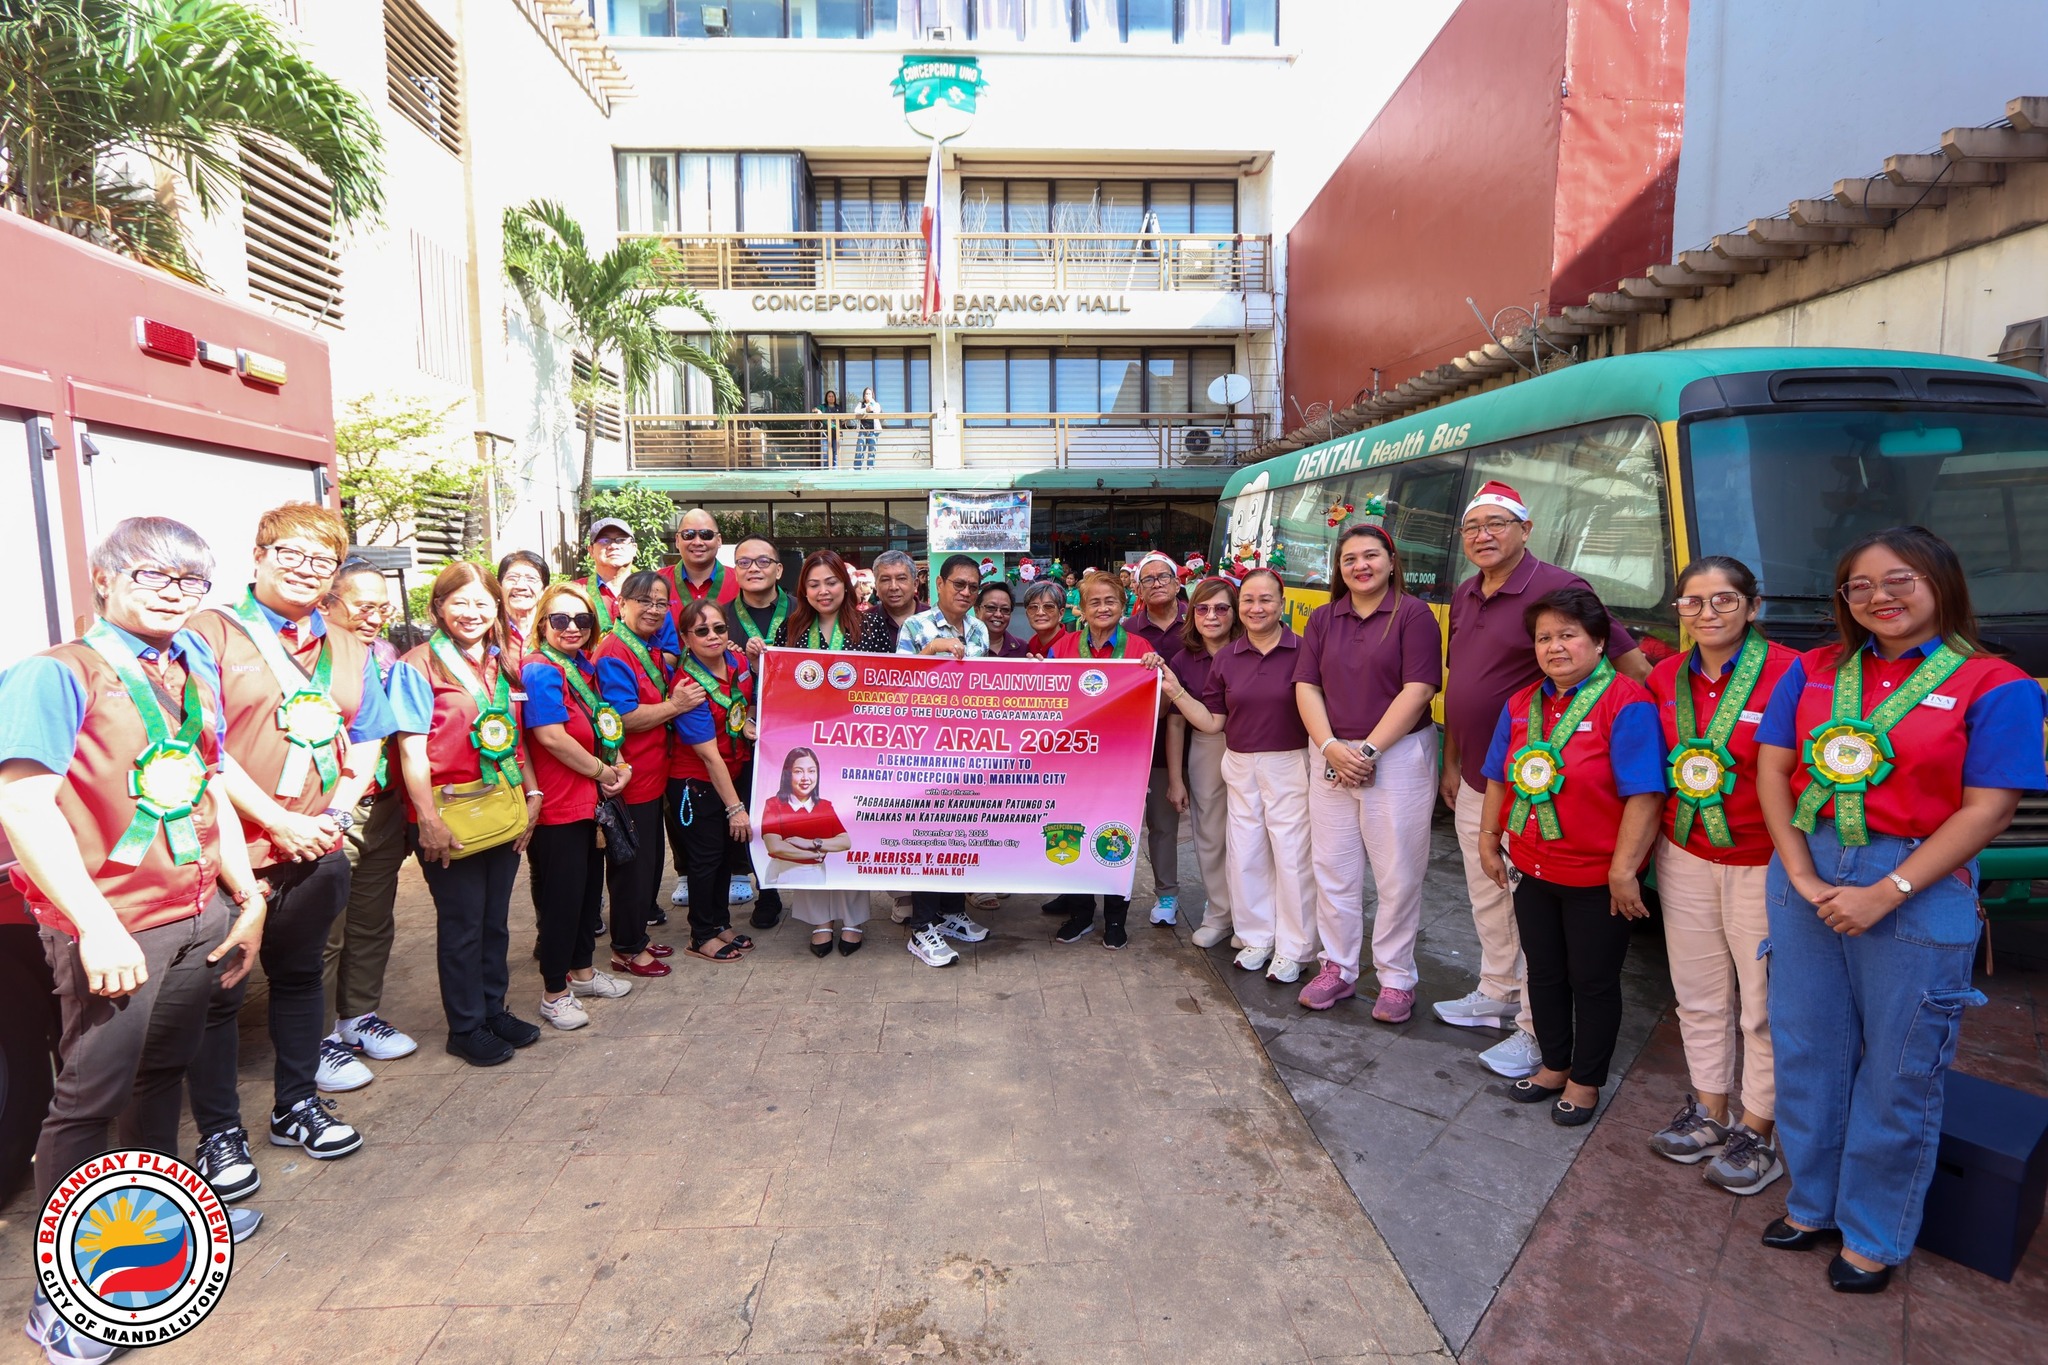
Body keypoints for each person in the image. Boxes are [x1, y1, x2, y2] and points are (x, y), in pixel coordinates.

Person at [3, 519, 269, 1364]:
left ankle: (151, 1239)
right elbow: (23, 806)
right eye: (153, 573)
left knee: (159, 1077)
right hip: (114, 926)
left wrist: (246, 891)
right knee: (86, 1099)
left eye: (192, 579)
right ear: (105, 579)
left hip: (196, 915)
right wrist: (96, 922)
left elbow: (209, 781)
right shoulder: (55, 673)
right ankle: (68, 1296)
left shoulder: (189, 664)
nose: (173, 590)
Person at [1755, 525, 2046, 1293]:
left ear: (1941, 583)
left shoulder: (1997, 684)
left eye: (1900, 580)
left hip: (1914, 878)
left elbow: (1987, 809)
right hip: (1805, 868)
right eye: (1860, 585)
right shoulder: (1814, 670)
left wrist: (1888, 890)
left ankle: (1874, 1233)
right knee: (1807, 1049)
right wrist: (1796, 866)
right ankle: (1813, 1201)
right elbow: (1773, 767)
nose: (1879, 597)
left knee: (1899, 1067)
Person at [185, 504, 397, 1186]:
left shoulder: (346, 643)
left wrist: (333, 813)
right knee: (219, 995)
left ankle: (296, 1102)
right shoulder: (209, 634)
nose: (306, 571)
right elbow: (199, 748)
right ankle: (219, 1134)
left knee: (302, 976)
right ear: (258, 556)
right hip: (227, 852)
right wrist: (275, 820)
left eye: (321, 561)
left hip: (317, 844)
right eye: (291, 555)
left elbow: (367, 735)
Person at [1437, 479, 1651, 1081]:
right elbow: (1463, 687)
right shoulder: (1466, 591)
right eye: (1473, 526)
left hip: (1545, 789)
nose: (1483, 535)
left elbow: (1629, 663)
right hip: (1485, 774)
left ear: (1525, 530)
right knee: (1489, 893)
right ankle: (1497, 990)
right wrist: (1452, 762)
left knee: (1537, 913)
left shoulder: (1561, 588)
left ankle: (1536, 1030)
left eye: (1497, 523)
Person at [1476, 587, 1664, 1127]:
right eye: (1544, 638)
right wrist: (1490, 839)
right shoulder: (1522, 703)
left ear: (1599, 642)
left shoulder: (1626, 702)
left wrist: (1624, 871)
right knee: (1545, 972)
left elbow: (1645, 794)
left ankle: (1586, 1079)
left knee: (1594, 980)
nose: (1555, 647)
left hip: (1595, 877)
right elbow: (1497, 776)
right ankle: (1554, 1064)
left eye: (1567, 635)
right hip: (1532, 866)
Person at [1644, 556, 1799, 1194]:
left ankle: (1758, 1129)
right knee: (1698, 993)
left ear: (1752, 607)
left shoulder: (1795, 672)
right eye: (1693, 602)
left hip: (1764, 862)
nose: (1707, 613)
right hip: (1684, 855)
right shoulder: (1663, 677)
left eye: (1723, 601)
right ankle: (1709, 1109)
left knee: (1763, 1005)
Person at [388, 563, 544, 1067]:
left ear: (496, 608)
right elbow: (410, 748)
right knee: (462, 923)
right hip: (449, 813)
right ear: (437, 608)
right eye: (460, 603)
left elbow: (514, 739)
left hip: (500, 807)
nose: (472, 613)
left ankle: (493, 1008)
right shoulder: (417, 666)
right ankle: (465, 1025)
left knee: (495, 919)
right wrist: (426, 818)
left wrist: (531, 795)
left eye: (482, 603)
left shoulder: (502, 663)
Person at [1295, 523, 1443, 1019]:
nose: (1360, 566)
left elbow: (1419, 689)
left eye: (1371, 556)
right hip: (1333, 752)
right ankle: (1337, 966)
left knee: (1398, 871)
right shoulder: (1322, 619)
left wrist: (1369, 752)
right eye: (1349, 559)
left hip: (1397, 756)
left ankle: (1396, 976)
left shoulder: (1413, 615)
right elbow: (1306, 687)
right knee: (1333, 868)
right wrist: (1333, 747)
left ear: (1392, 560)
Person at [1158, 569, 1318, 980]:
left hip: (1288, 760)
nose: (1256, 608)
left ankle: (1295, 946)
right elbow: (1212, 722)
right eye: (1249, 600)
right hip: (1240, 762)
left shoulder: (1304, 649)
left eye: (1265, 600)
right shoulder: (1228, 658)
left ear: (1282, 602)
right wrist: (1175, 690)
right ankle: (1256, 936)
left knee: (1291, 854)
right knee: (1246, 852)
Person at [319, 560, 420, 1090]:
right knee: (325, 932)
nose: (375, 617)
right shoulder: (311, 657)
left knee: (371, 919)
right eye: (363, 606)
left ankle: (356, 1018)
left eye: (383, 607)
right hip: (330, 806)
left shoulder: (383, 655)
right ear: (327, 602)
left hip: (380, 802)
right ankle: (317, 1041)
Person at [520, 581, 633, 1030]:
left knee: (588, 897)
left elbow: (601, 726)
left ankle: (583, 973)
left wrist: (618, 763)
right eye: (561, 619)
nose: (572, 628)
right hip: (560, 805)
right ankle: (554, 991)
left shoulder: (581, 667)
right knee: (562, 900)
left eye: (582, 620)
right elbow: (550, 737)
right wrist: (605, 773)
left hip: (588, 804)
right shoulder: (541, 670)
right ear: (542, 622)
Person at [594, 570, 706, 978]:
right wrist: (676, 706)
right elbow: (623, 718)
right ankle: (625, 947)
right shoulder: (613, 652)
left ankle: (636, 934)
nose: (653, 609)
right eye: (644, 600)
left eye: (661, 602)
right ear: (620, 604)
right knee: (633, 868)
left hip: (654, 773)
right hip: (631, 778)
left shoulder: (647, 645)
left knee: (651, 862)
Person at [1049, 572, 1170, 950]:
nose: (1103, 608)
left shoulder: (1140, 648)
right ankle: (1081, 915)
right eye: (1094, 603)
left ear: (1123, 605)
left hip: (1121, 765)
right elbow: (1045, 698)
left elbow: (1162, 709)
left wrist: (1158, 674)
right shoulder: (1064, 647)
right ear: (1081, 609)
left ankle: (1116, 919)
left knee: (1117, 838)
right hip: (1072, 766)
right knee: (1072, 834)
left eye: (1110, 601)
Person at [896, 555, 994, 962]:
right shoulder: (915, 627)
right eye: (959, 584)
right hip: (924, 750)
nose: (966, 593)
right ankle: (921, 928)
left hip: (968, 748)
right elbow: (896, 687)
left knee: (960, 830)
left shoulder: (979, 628)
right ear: (938, 584)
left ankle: (952, 911)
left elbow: (986, 687)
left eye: (973, 587)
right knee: (928, 835)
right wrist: (930, 651)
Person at [670, 599, 758, 962]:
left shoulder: (736, 662)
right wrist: (735, 808)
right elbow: (708, 754)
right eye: (701, 630)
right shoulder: (688, 686)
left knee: (723, 857)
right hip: (697, 783)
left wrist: (749, 724)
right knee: (705, 860)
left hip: (731, 772)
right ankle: (700, 934)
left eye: (719, 629)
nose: (712, 636)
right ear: (685, 638)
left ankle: (720, 923)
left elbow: (744, 707)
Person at [1163, 576, 1241, 949]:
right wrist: (1176, 780)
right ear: (1192, 614)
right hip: (1207, 745)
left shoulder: (1249, 646)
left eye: (1221, 608)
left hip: (1252, 743)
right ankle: (1219, 915)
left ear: (1235, 612)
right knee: (1210, 835)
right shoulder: (1183, 659)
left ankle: (1252, 916)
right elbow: (1176, 721)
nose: (1212, 616)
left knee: (1255, 835)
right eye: (1203, 609)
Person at [726, 534, 787, 930]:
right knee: (752, 812)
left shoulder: (803, 611)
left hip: (793, 730)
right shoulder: (717, 618)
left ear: (778, 569)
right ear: (735, 570)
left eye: (763, 561)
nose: (754, 569)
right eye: (745, 562)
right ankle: (767, 891)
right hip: (740, 734)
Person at [1127, 551, 1187, 925]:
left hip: (1209, 734)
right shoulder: (1129, 630)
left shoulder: (1201, 619)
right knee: (1161, 823)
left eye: (1163, 577)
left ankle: (1226, 900)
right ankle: (1166, 896)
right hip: (1150, 741)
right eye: (1148, 580)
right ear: (1138, 589)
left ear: (1178, 582)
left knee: (1220, 826)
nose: (1157, 584)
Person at [762, 746, 863, 955]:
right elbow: (775, 845)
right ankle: (821, 921)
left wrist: (813, 843)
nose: (806, 777)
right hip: (790, 868)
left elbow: (845, 842)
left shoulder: (824, 805)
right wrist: (814, 855)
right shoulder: (774, 804)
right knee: (809, 869)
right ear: (787, 773)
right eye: (799, 771)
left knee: (849, 863)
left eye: (812, 771)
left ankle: (853, 921)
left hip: (814, 864)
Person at [777, 549, 866, 653]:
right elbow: (777, 668)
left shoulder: (871, 626)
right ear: (805, 590)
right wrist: (757, 664)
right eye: (814, 585)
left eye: (831, 583)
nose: (823, 591)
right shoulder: (790, 628)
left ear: (845, 585)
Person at [660, 506, 741, 612]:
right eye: (688, 535)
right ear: (677, 540)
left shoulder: (740, 581)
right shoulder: (657, 581)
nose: (697, 542)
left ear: (719, 540)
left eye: (706, 535)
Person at [583, 517, 644, 636]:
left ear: (634, 548)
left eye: (621, 540)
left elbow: (670, 649)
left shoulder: (650, 590)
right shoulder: (577, 591)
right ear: (591, 550)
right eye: (604, 540)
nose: (614, 546)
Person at [857, 549, 922, 653]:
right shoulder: (862, 624)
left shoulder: (935, 620)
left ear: (915, 584)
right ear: (876, 587)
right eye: (885, 580)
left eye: (901, 579)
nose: (893, 587)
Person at [497, 550, 550, 658]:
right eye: (512, 578)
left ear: (544, 590)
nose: (520, 586)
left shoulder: (554, 628)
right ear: (499, 586)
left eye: (531, 579)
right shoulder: (488, 628)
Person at [976, 580, 1030, 658]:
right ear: (977, 610)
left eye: (1005, 609)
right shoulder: (963, 646)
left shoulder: (1023, 648)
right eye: (991, 608)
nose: (998, 615)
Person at [1019, 579, 1072, 658]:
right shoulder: (1030, 645)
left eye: (1048, 607)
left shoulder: (1073, 646)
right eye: (1033, 607)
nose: (1040, 613)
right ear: (1027, 614)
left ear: (1061, 614)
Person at [852, 385, 881, 469]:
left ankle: (870, 469)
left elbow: (877, 411)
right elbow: (856, 412)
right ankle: (857, 469)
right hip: (863, 430)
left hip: (873, 431)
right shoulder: (860, 404)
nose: (867, 395)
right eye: (866, 394)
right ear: (864, 395)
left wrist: (871, 407)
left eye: (869, 393)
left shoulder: (876, 404)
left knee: (872, 451)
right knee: (859, 450)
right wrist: (865, 410)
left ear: (872, 395)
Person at [814, 388, 842, 467]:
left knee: (835, 454)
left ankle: (835, 472)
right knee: (826, 454)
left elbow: (843, 418)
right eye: (829, 396)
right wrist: (818, 411)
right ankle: (827, 472)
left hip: (836, 433)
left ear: (835, 398)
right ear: (826, 398)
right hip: (825, 433)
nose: (831, 398)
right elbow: (814, 409)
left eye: (832, 396)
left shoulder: (838, 407)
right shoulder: (823, 406)